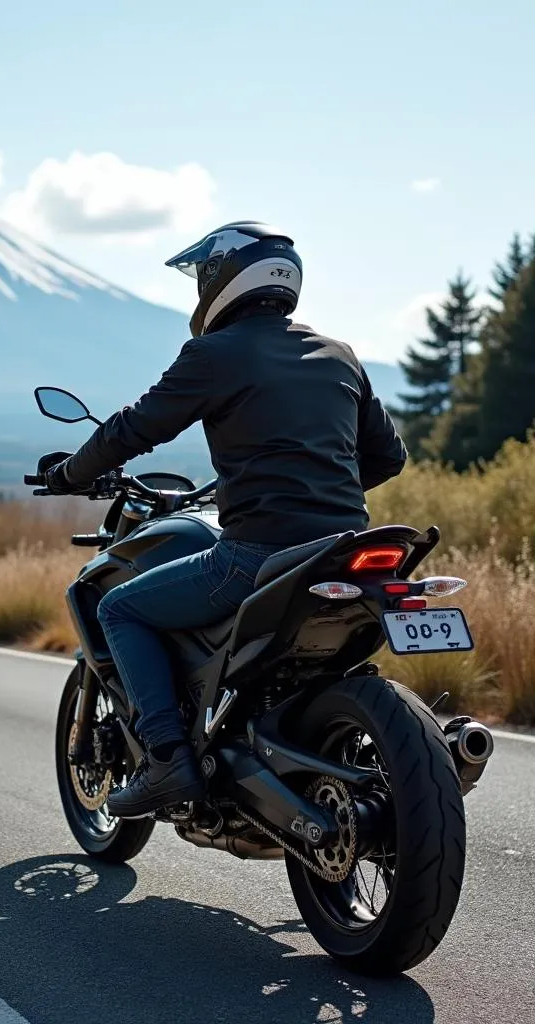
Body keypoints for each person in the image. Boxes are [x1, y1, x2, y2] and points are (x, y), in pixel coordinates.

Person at [39, 222, 407, 818]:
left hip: (256, 556)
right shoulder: (339, 354)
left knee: (121, 608)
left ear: (224, 279)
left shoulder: (215, 354)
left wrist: (70, 475)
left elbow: (134, 427)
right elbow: (388, 458)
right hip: (344, 548)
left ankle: (166, 761)